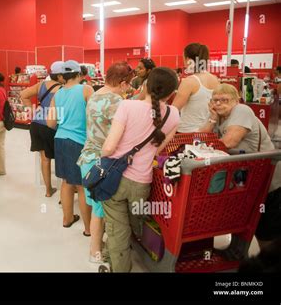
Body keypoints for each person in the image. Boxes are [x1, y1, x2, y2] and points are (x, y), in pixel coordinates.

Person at [101, 67, 180, 272]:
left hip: (116, 179)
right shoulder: (174, 114)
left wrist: (101, 155)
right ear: (172, 93)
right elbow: (158, 150)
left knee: (117, 227)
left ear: (145, 85)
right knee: (134, 223)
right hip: (142, 183)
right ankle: (124, 254)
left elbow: (109, 147)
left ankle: (119, 267)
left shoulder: (127, 106)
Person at [199, 84, 281, 251]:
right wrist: (212, 118)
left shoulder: (241, 110)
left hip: (268, 179)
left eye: (224, 100)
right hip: (245, 177)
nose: (219, 103)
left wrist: (205, 147)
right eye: (215, 100)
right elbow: (199, 138)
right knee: (243, 217)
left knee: (266, 229)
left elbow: (230, 142)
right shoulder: (219, 116)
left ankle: (271, 262)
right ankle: (238, 252)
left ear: (236, 101)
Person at [77, 62, 133, 264]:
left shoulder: (94, 94)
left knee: (96, 208)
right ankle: (95, 252)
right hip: (104, 161)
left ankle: (95, 249)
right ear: (123, 82)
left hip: (87, 157)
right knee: (102, 212)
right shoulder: (117, 101)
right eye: (128, 83)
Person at [47, 60, 94, 236]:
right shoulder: (86, 89)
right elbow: (94, 115)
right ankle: (89, 229)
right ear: (79, 74)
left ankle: (67, 219)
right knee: (82, 186)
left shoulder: (57, 94)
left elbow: (51, 123)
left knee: (66, 182)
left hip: (60, 139)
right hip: (79, 142)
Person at [20, 64, 65, 197]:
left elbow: (23, 94)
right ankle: (65, 189)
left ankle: (48, 190)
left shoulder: (41, 85)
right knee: (60, 158)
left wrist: (33, 111)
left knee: (44, 158)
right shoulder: (62, 89)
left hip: (36, 124)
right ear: (61, 75)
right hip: (51, 126)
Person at [172, 43, 219, 133]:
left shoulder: (189, 81)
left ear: (188, 60)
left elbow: (174, 110)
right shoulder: (215, 79)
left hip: (187, 133)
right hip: (209, 131)